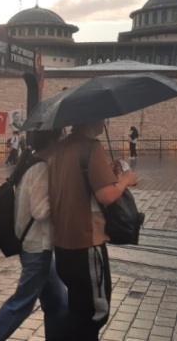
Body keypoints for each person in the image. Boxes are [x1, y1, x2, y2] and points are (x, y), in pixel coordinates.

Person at [48, 120, 138, 340]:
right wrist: (125, 180)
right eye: (103, 117)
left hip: (62, 244)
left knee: (79, 308)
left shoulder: (61, 147)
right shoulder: (92, 146)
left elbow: (79, 183)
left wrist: (107, 171)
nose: (105, 121)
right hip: (86, 241)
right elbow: (106, 196)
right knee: (96, 313)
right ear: (93, 118)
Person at [0, 130, 68, 341]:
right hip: (37, 246)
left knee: (58, 302)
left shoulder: (30, 162)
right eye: (61, 136)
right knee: (20, 305)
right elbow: (40, 210)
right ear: (52, 140)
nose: (64, 139)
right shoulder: (40, 167)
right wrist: (64, 199)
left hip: (36, 246)